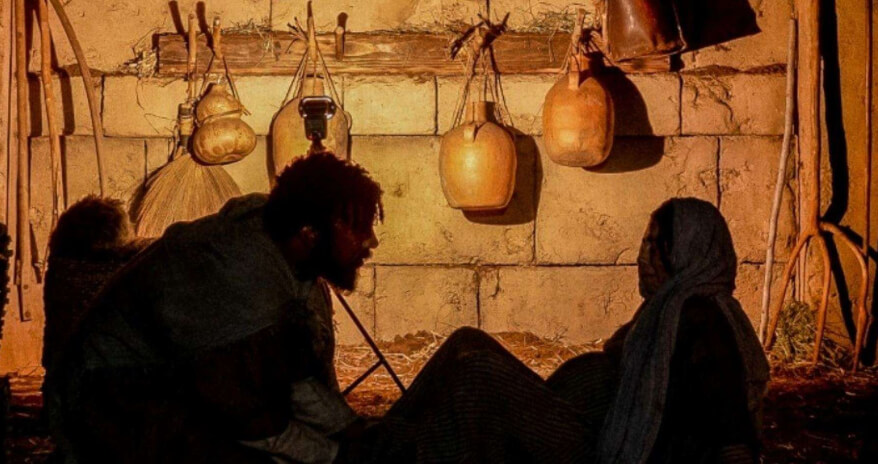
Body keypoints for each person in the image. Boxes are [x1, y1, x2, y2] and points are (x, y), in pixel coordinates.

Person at [330, 197, 769, 464]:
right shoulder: (666, 310)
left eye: (656, 245)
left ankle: (390, 451)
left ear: (688, 253)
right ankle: (381, 435)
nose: (642, 257)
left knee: (478, 376)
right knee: (467, 340)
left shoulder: (699, 316)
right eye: (644, 243)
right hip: (576, 419)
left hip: (596, 448)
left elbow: (729, 420)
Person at [50, 152, 382, 463]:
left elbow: (292, 378)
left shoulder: (280, 248)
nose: (371, 241)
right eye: (357, 226)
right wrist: (336, 455)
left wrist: (351, 427)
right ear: (309, 233)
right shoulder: (242, 272)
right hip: (107, 397)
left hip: (156, 386)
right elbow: (249, 420)